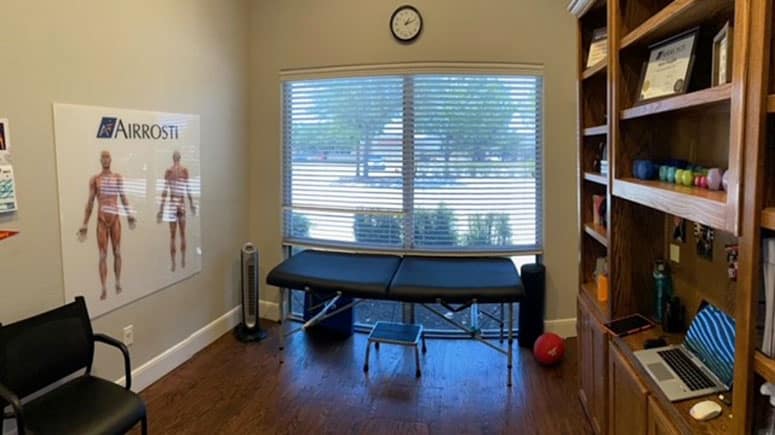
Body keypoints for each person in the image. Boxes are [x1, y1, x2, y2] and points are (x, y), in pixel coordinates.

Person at [78, 151, 136, 300]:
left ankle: (117, 282)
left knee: (117, 252)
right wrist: (85, 223)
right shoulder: (95, 180)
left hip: (115, 217)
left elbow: (123, 196)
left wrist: (129, 214)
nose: (105, 160)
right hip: (102, 219)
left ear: (111, 159)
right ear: (100, 160)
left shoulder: (117, 178)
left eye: (107, 157)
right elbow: (90, 202)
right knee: (103, 255)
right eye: (103, 157)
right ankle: (104, 287)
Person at [157, 151, 196, 271]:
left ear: (173, 158)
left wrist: (161, 209)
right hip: (181, 202)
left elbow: (165, 191)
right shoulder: (184, 171)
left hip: (173, 202)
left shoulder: (169, 172)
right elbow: (188, 188)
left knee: (173, 236)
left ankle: (174, 263)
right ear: (179, 158)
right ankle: (182, 260)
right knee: (182, 234)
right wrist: (191, 204)